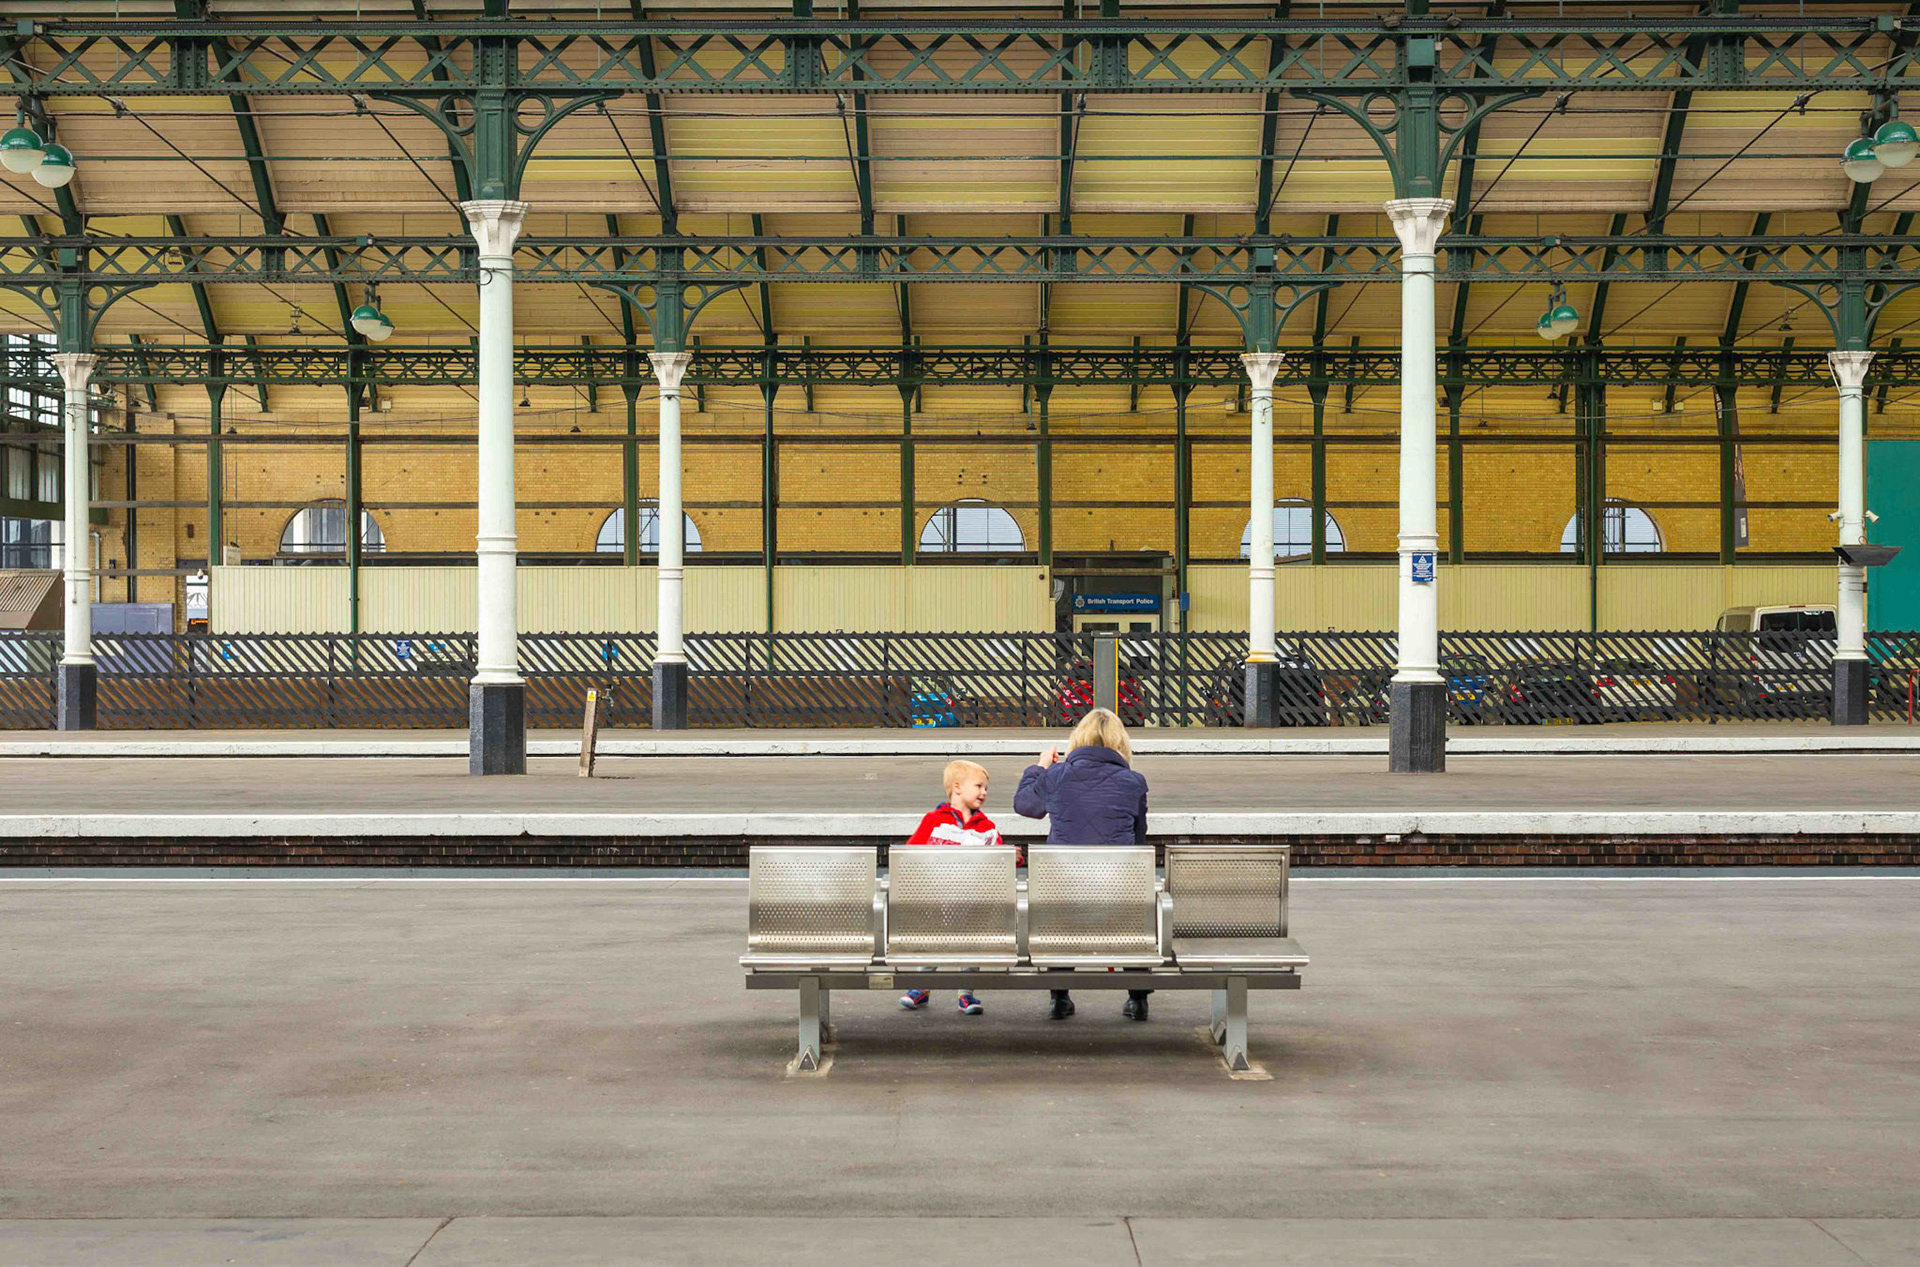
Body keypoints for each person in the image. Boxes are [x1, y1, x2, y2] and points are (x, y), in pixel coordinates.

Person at [1012, 707, 1151, 1022]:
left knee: (1058, 905)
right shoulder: (1134, 782)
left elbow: (1025, 805)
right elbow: (1139, 840)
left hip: (1064, 894)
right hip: (1116, 895)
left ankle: (1060, 998)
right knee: (1137, 904)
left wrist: (1040, 767)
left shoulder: (1056, 776)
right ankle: (1138, 999)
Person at [898, 759, 1002, 1016]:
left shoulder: (986, 826)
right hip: (938, 898)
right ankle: (922, 987)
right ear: (957, 787)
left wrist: (1013, 857)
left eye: (986, 788)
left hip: (972, 900)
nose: (984, 792)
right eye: (978, 786)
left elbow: (998, 856)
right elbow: (911, 852)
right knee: (933, 939)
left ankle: (966, 993)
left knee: (971, 943)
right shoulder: (934, 820)